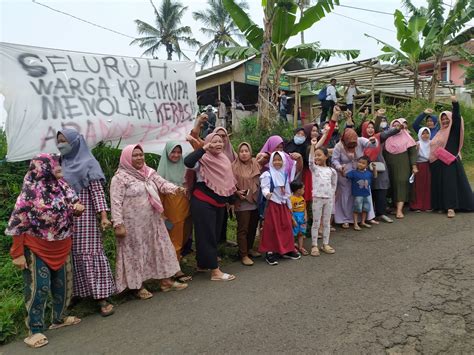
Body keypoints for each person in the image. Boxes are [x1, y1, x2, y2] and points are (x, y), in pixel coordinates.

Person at [5, 154, 84, 348]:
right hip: (37, 246)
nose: (59, 167)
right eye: (55, 164)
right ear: (42, 167)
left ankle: (59, 318)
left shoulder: (61, 185)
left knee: (63, 284)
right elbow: (18, 222)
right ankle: (34, 330)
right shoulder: (29, 191)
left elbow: (74, 201)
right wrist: (17, 253)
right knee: (38, 288)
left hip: (62, 243)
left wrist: (76, 207)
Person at [111, 145, 188, 299]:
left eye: (141, 155)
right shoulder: (120, 178)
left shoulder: (148, 172)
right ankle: (137, 286)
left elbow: (162, 184)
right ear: (127, 158)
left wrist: (176, 189)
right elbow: (116, 202)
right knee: (135, 254)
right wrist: (118, 224)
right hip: (133, 226)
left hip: (153, 221)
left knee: (160, 249)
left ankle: (166, 281)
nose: (139, 158)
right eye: (135, 155)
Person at [56, 129, 116, 317]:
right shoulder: (59, 163)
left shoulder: (89, 163)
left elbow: (97, 193)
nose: (60, 145)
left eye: (64, 141)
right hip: (64, 219)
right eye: (58, 141)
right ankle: (78, 293)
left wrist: (104, 216)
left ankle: (101, 297)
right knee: (71, 256)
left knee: (89, 253)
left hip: (85, 219)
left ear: (75, 142)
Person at [183, 133, 237, 281]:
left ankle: (202, 264)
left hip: (219, 203)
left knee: (209, 234)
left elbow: (228, 181)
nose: (218, 144)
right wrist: (203, 148)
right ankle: (215, 272)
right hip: (203, 202)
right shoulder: (202, 159)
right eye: (214, 141)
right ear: (208, 143)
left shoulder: (224, 159)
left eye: (220, 141)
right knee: (207, 235)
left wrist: (232, 200)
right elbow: (187, 162)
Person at [429, 96, 474, 217]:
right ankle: (441, 206)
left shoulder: (454, 130)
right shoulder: (439, 132)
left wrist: (455, 104)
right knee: (440, 184)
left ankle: (451, 208)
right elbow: (433, 146)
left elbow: (457, 118)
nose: (444, 121)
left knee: (450, 185)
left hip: (450, 162)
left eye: (446, 118)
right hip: (438, 162)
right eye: (442, 119)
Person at [157, 141, 193, 282]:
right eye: (173, 152)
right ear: (167, 153)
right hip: (172, 208)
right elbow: (158, 193)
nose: (176, 155)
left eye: (179, 152)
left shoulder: (184, 166)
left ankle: (175, 262)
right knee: (174, 238)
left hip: (186, 206)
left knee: (184, 235)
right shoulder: (161, 171)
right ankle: (175, 270)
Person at [259, 152, 301, 265]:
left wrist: (290, 206)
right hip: (272, 204)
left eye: (279, 160)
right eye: (275, 160)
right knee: (272, 228)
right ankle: (270, 252)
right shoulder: (267, 174)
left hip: (283, 205)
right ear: (271, 161)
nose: (277, 162)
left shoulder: (284, 174)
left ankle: (287, 249)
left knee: (286, 226)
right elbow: (265, 187)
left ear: (283, 161)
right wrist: (267, 194)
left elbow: (287, 192)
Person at [332, 128, 378, 228]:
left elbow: (372, 145)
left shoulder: (361, 140)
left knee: (364, 193)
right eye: (350, 144)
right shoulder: (338, 146)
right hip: (345, 173)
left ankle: (365, 218)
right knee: (346, 195)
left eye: (354, 143)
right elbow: (334, 160)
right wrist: (340, 167)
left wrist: (373, 140)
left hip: (361, 172)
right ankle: (345, 219)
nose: (352, 146)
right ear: (344, 140)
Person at [361, 110, 401, 223]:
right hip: (366, 170)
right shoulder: (361, 141)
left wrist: (397, 128)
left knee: (381, 191)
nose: (370, 129)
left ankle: (382, 213)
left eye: (372, 127)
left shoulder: (378, 137)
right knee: (368, 192)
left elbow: (388, 133)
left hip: (380, 169)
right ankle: (369, 215)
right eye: (368, 127)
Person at [232, 142, 262, 266]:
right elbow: (229, 183)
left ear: (250, 152)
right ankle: (243, 254)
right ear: (238, 153)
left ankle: (249, 249)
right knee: (243, 229)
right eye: (241, 151)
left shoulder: (255, 163)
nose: (244, 153)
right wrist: (236, 192)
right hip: (241, 201)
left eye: (246, 151)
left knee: (252, 227)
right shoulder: (233, 166)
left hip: (255, 200)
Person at [308, 138, 337, 256]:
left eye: (319, 155)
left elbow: (334, 184)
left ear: (326, 156)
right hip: (317, 198)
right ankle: (314, 245)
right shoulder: (315, 169)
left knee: (326, 223)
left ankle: (325, 243)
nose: (317, 157)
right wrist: (312, 146)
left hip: (328, 199)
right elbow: (310, 162)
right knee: (316, 222)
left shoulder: (332, 171)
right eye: (315, 155)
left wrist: (331, 194)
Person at [383, 118, 418, 219]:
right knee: (392, 185)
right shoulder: (387, 138)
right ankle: (395, 207)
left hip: (403, 164)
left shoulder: (408, 138)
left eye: (398, 125)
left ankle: (399, 210)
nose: (396, 127)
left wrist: (414, 166)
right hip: (389, 165)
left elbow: (412, 154)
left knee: (401, 183)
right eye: (394, 125)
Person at [345, 156, 378, 231]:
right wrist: (343, 169)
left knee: (365, 209)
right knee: (357, 209)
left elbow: (375, 176)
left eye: (363, 163)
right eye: (359, 162)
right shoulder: (353, 172)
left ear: (367, 165)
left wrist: (374, 168)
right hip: (358, 194)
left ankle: (363, 222)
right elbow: (346, 175)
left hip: (366, 194)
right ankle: (355, 223)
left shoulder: (368, 173)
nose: (360, 164)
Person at [410, 127, 432, 212]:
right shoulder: (417, 144)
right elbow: (414, 156)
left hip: (428, 166)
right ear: (420, 134)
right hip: (419, 166)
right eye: (423, 133)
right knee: (418, 186)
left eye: (427, 133)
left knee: (428, 186)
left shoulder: (431, 143)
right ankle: (417, 205)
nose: (425, 135)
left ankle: (427, 205)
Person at [290, 181, 308, 256]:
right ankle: (292, 247)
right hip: (295, 217)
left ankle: (300, 247)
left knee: (301, 233)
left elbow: (304, 208)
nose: (304, 190)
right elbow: (290, 211)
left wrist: (305, 215)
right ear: (298, 190)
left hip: (302, 217)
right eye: (303, 189)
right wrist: (293, 220)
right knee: (293, 234)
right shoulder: (291, 199)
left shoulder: (302, 198)